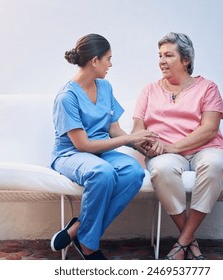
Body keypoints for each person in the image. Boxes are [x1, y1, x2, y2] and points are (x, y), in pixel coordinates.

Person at [50, 33, 158, 260]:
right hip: (72, 153)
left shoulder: (105, 87)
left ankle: (79, 228)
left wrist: (138, 144)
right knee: (102, 173)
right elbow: (83, 144)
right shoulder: (66, 97)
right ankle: (89, 245)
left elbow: (114, 129)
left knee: (133, 172)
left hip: (101, 152)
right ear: (95, 61)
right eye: (108, 58)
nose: (111, 64)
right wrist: (128, 141)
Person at [132, 32, 223, 260]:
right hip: (164, 154)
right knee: (161, 169)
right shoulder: (149, 90)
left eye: (168, 55)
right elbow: (137, 129)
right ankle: (189, 240)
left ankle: (182, 242)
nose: (162, 61)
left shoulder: (207, 88)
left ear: (185, 60)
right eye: (160, 56)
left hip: (204, 148)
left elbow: (210, 128)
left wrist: (172, 147)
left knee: (214, 164)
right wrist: (149, 145)